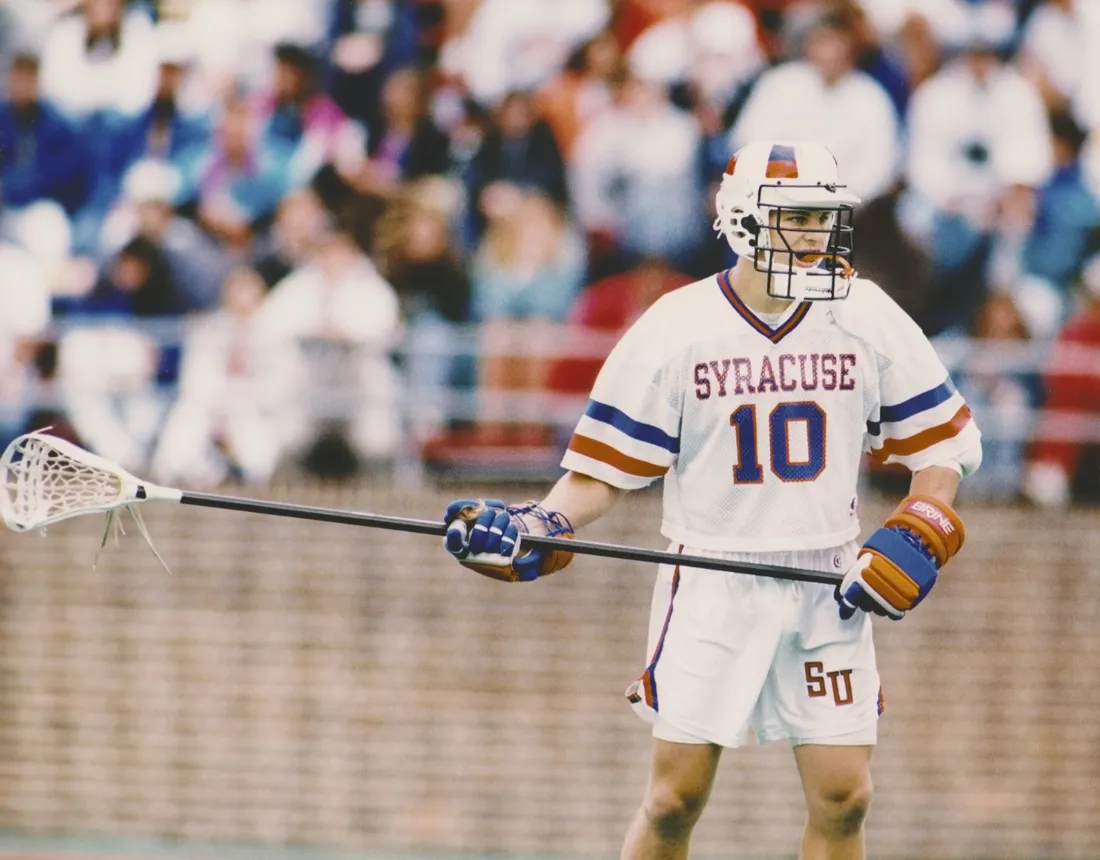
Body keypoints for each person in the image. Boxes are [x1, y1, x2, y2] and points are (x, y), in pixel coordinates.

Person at [440, 139, 983, 860]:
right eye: (795, 217)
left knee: (846, 797)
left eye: (822, 218)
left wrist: (919, 530)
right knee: (673, 800)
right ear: (744, 222)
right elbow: (605, 469)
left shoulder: (864, 313)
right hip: (712, 578)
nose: (815, 235)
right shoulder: (677, 325)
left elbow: (942, 445)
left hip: (829, 579)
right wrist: (543, 524)